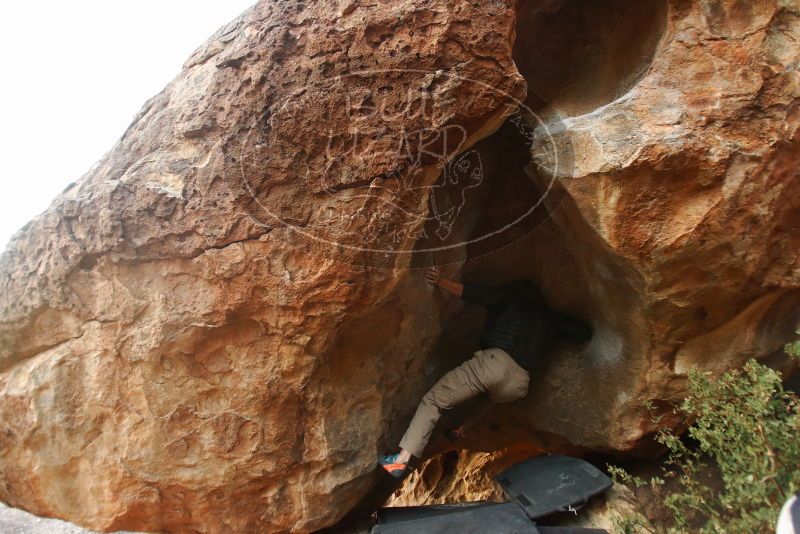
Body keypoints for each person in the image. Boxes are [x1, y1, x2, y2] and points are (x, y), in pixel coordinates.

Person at [379, 267, 593, 478]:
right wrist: (554, 318)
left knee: (434, 401)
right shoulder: (549, 318)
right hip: (519, 382)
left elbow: (475, 293)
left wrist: (441, 281)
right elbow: (583, 333)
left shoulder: (511, 297)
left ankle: (401, 460)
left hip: (493, 363)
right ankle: (461, 428)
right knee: (491, 397)